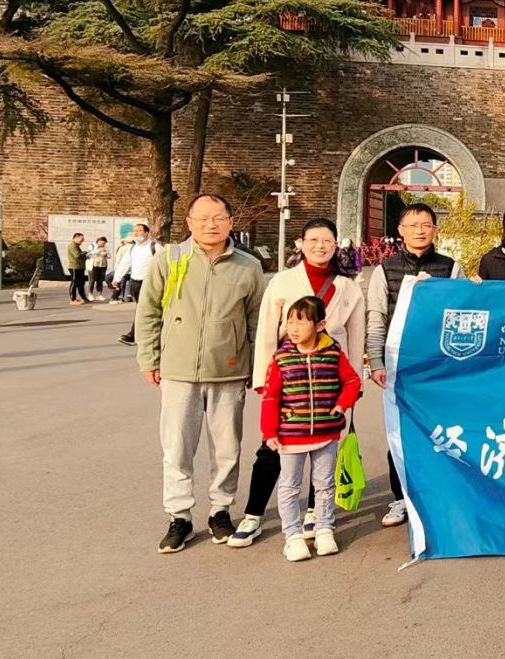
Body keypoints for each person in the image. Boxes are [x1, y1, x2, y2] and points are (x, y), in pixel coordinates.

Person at [231, 218, 368, 549]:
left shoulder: (348, 286)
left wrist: (354, 386)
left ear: (336, 244)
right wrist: (263, 378)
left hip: (329, 374)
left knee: (323, 447)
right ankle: (254, 513)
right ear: (301, 243)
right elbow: (267, 329)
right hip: (288, 371)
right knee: (273, 445)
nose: (321, 246)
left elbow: (356, 335)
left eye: (327, 240)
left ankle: (313, 512)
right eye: (314, 240)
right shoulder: (283, 281)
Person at [140, 194, 265, 553]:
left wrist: (255, 367)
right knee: (177, 447)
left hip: (229, 370)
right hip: (178, 370)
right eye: (203, 218)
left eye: (219, 217)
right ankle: (179, 516)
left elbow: (256, 320)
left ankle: (220, 510)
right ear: (189, 223)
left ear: (230, 221)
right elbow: (148, 310)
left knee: (227, 448)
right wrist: (149, 358)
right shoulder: (170, 259)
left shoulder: (248, 266)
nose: (211, 224)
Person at [364, 202, 464, 529]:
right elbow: (376, 318)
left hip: (438, 367)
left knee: (441, 431)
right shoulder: (385, 269)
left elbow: (461, 314)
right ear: (401, 231)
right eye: (413, 225)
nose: (420, 230)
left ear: (435, 230)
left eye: (426, 225)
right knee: (400, 431)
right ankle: (400, 498)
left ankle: (439, 496)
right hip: (400, 365)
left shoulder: (450, 268)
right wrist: (376, 361)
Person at [260, 295, 360, 562]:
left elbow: (352, 381)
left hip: (327, 433)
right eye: (290, 322)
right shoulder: (281, 358)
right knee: (289, 487)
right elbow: (271, 397)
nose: (293, 328)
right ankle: (293, 536)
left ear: (320, 325)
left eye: (301, 323)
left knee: (325, 485)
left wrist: (342, 404)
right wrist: (269, 432)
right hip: (290, 435)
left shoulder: (333, 352)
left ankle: (324, 528)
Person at [116, 224, 161, 344]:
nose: (136, 233)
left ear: (146, 233)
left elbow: (163, 264)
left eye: (139, 231)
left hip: (148, 282)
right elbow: (125, 263)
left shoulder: (155, 247)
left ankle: (133, 335)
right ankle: (147, 334)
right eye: (134, 231)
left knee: (142, 308)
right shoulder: (132, 248)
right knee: (143, 308)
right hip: (134, 282)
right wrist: (117, 278)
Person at [66, 233, 90, 305]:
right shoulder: (72, 245)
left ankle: (83, 298)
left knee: (81, 283)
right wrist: (85, 253)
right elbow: (77, 255)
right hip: (74, 267)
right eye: (81, 239)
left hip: (80, 267)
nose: (82, 241)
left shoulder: (76, 246)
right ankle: (72, 299)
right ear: (75, 238)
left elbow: (79, 255)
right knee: (74, 283)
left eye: (83, 240)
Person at [88, 236, 111, 301]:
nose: (103, 244)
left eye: (104, 243)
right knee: (92, 280)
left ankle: (99, 295)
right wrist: (97, 252)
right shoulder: (92, 246)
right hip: (93, 265)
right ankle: (90, 294)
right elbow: (88, 254)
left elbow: (109, 256)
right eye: (101, 243)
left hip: (102, 265)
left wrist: (106, 254)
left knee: (100, 280)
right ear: (98, 241)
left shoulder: (106, 247)